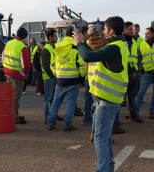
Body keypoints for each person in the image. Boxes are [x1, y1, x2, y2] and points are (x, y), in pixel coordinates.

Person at [72, 16, 132, 172]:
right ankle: (108, 167)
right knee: (105, 137)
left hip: (106, 100)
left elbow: (87, 56)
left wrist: (79, 43)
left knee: (100, 138)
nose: (102, 33)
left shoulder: (114, 47)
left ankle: (104, 169)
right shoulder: (120, 45)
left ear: (111, 31)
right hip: (111, 99)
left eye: (104, 29)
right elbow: (94, 55)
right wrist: (84, 44)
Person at [47, 27, 86, 131]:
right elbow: (82, 65)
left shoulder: (57, 47)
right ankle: (67, 125)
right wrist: (82, 76)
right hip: (73, 80)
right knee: (70, 103)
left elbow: (52, 64)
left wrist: (56, 74)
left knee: (56, 101)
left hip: (60, 80)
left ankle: (50, 122)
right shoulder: (76, 47)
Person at [2, 27, 31, 124]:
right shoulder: (23, 47)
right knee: (15, 98)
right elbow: (26, 65)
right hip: (17, 76)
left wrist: (5, 68)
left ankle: (12, 114)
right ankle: (14, 117)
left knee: (9, 96)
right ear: (24, 37)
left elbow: (2, 57)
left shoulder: (8, 43)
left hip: (7, 74)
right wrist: (25, 74)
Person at [41, 28, 63, 124]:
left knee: (53, 97)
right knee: (48, 97)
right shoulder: (46, 49)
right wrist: (51, 75)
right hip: (49, 77)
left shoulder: (52, 47)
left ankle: (52, 114)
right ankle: (47, 116)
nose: (57, 38)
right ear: (50, 37)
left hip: (52, 77)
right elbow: (46, 65)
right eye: (55, 36)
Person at [123, 22, 143, 123]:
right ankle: (115, 121)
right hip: (124, 72)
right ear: (124, 30)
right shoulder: (121, 42)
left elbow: (137, 56)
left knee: (132, 95)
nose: (132, 31)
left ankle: (132, 116)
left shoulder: (134, 42)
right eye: (130, 29)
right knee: (120, 95)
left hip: (134, 71)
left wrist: (138, 70)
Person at [136, 27, 154, 119]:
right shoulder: (141, 45)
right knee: (141, 93)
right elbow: (139, 59)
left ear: (153, 34)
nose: (145, 35)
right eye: (145, 33)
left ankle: (152, 112)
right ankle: (136, 112)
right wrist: (140, 71)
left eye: (148, 33)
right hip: (147, 73)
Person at [133, 24, 144, 94]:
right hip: (130, 63)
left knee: (137, 82)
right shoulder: (129, 39)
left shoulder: (142, 40)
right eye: (134, 29)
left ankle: (136, 97)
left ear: (139, 30)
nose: (135, 31)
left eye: (137, 29)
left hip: (138, 63)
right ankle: (124, 98)